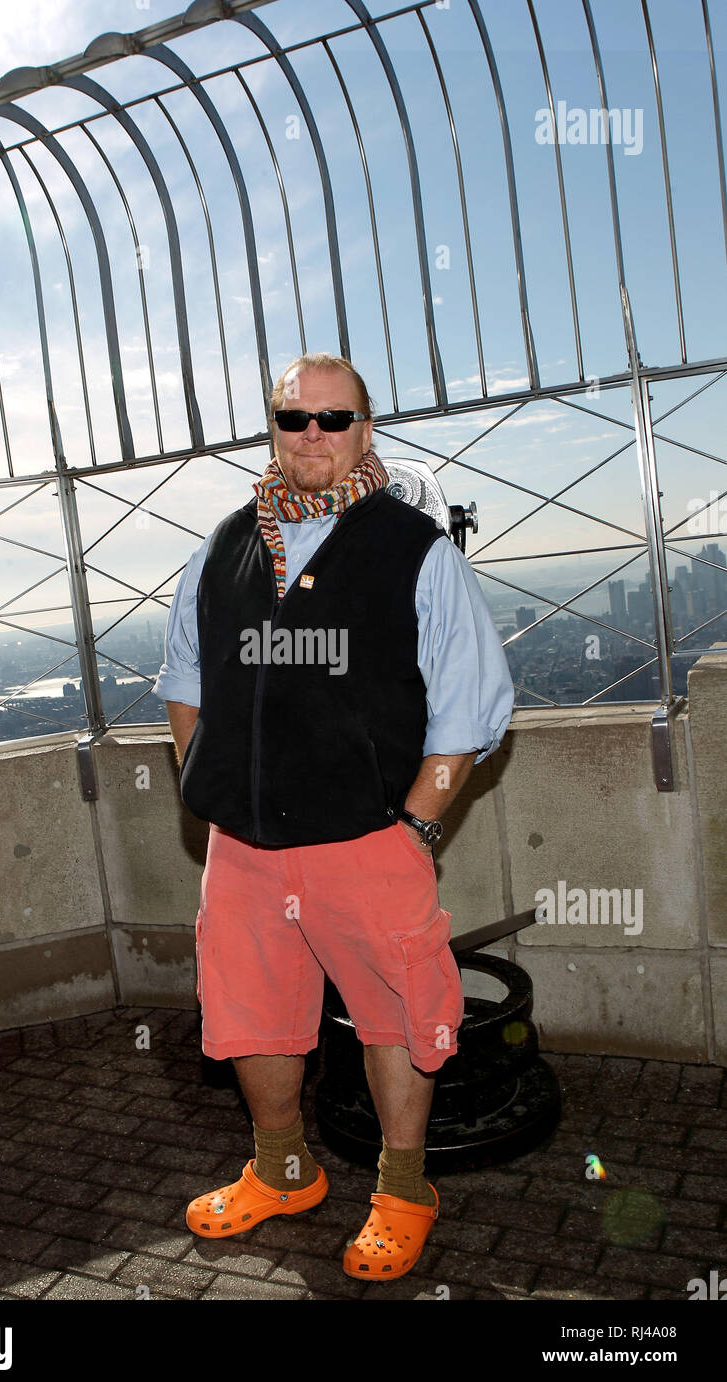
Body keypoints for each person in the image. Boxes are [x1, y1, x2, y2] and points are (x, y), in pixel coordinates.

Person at [152, 352, 514, 1281]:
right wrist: (206, 782)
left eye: (333, 419)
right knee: (250, 1014)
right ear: (271, 430)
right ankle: (282, 1171)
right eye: (292, 420)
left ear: (365, 428)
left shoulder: (414, 549)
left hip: (368, 842)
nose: (311, 436)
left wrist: (417, 826)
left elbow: (470, 707)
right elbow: (185, 683)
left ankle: (403, 1190)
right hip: (244, 846)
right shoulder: (223, 547)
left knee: (398, 1016)